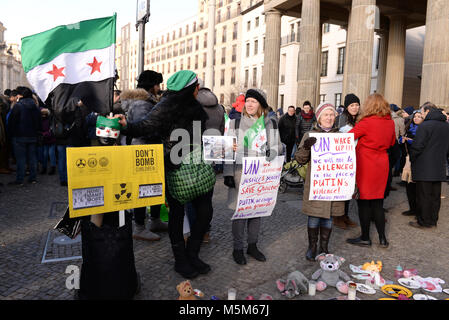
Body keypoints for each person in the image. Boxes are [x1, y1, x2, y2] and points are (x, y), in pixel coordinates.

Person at [116, 70, 213, 279]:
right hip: (174, 166)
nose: (198, 91)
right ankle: (181, 261)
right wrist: (125, 126)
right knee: (177, 215)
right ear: (192, 88)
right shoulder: (166, 105)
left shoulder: (196, 107)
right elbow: (142, 127)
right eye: (197, 87)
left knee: (205, 212)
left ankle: (193, 254)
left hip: (198, 165)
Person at [223, 88, 283, 265]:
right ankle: (237, 248)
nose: (249, 104)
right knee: (239, 213)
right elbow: (226, 150)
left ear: (261, 106)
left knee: (256, 212)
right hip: (238, 174)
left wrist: (266, 151)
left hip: (260, 175)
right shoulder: (234, 123)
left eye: (253, 101)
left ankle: (252, 245)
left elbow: (278, 148)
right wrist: (227, 173)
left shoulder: (269, 123)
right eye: (247, 101)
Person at [295, 102, 345, 261]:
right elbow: (300, 159)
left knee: (329, 217)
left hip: (333, 185)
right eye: (326, 115)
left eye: (331, 115)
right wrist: (306, 148)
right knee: (314, 215)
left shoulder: (341, 137)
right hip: (317, 184)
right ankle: (312, 246)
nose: (329, 118)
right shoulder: (310, 135)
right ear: (319, 117)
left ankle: (324, 247)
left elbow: (348, 163)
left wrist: (352, 185)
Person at [122, 70, 168, 242]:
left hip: (150, 150)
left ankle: (155, 220)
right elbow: (144, 129)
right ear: (152, 85)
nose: (159, 88)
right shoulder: (142, 104)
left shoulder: (147, 101)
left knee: (155, 187)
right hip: (143, 151)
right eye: (158, 84)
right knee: (143, 190)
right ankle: (139, 227)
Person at [346, 94, 396, 248]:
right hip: (382, 164)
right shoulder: (390, 122)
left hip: (366, 164)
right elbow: (392, 142)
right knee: (378, 203)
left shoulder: (367, 122)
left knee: (364, 203)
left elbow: (348, 137)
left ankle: (365, 237)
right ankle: (382, 239)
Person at [189, 78, 225, 243]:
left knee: (190, 198)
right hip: (211, 155)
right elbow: (221, 133)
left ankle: (193, 232)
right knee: (206, 198)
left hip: (192, 155)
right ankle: (206, 233)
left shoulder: (191, 105)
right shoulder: (219, 108)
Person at [409, 102, 449, 229]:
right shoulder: (446, 126)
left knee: (424, 196)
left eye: (422, 112)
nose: (421, 115)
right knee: (435, 196)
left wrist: (412, 158)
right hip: (439, 165)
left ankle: (424, 221)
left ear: (427, 111)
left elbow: (417, 146)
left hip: (424, 166)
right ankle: (433, 220)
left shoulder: (425, 125)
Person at [333, 93, 361, 230]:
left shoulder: (360, 119)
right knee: (342, 189)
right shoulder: (342, 119)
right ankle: (338, 217)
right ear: (347, 107)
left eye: (356, 105)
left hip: (355, 157)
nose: (355, 107)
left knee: (350, 188)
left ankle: (345, 215)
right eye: (352, 105)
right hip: (343, 158)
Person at [7, 86, 42, 186]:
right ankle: (33, 178)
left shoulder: (18, 106)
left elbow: (12, 122)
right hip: (33, 136)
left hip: (19, 136)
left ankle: (20, 180)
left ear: (21, 95)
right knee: (32, 158)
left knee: (21, 159)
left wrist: (10, 134)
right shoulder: (35, 106)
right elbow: (39, 122)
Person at [400, 111, 424, 217]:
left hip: (419, 161)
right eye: (415, 116)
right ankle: (412, 208)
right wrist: (402, 140)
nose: (416, 118)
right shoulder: (408, 128)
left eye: (419, 117)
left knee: (417, 187)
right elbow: (401, 143)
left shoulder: (423, 130)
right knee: (408, 185)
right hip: (408, 159)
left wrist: (412, 142)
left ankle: (419, 210)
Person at [38, 107, 56, 175]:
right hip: (45, 139)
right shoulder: (40, 120)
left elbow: (52, 129)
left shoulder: (50, 119)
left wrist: (44, 134)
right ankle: (45, 167)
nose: (43, 115)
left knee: (50, 154)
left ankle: (51, 167)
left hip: (50, 139)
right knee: (45, 154)